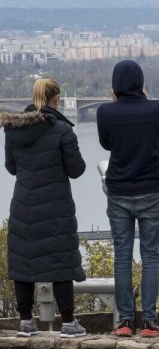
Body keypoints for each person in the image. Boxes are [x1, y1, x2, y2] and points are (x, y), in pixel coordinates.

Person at [1, 79, 87, 338]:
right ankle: (69, 323)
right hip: (55, 205)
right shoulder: (62, 130)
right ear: (56, 99)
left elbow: (11, 167)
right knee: (60, 259)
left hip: (23, 204)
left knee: (23, 262)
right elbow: (77, 169)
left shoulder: (13, 130)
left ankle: (26, 321)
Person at [96, 60, 159, 338]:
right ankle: (150, 322)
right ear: (141, 83)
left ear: (115, 86)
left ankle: (125, 321)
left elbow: (107, 144)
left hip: (118, 191)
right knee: (150, 255)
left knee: (122, 256)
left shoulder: (105, 112)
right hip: (151, 190)